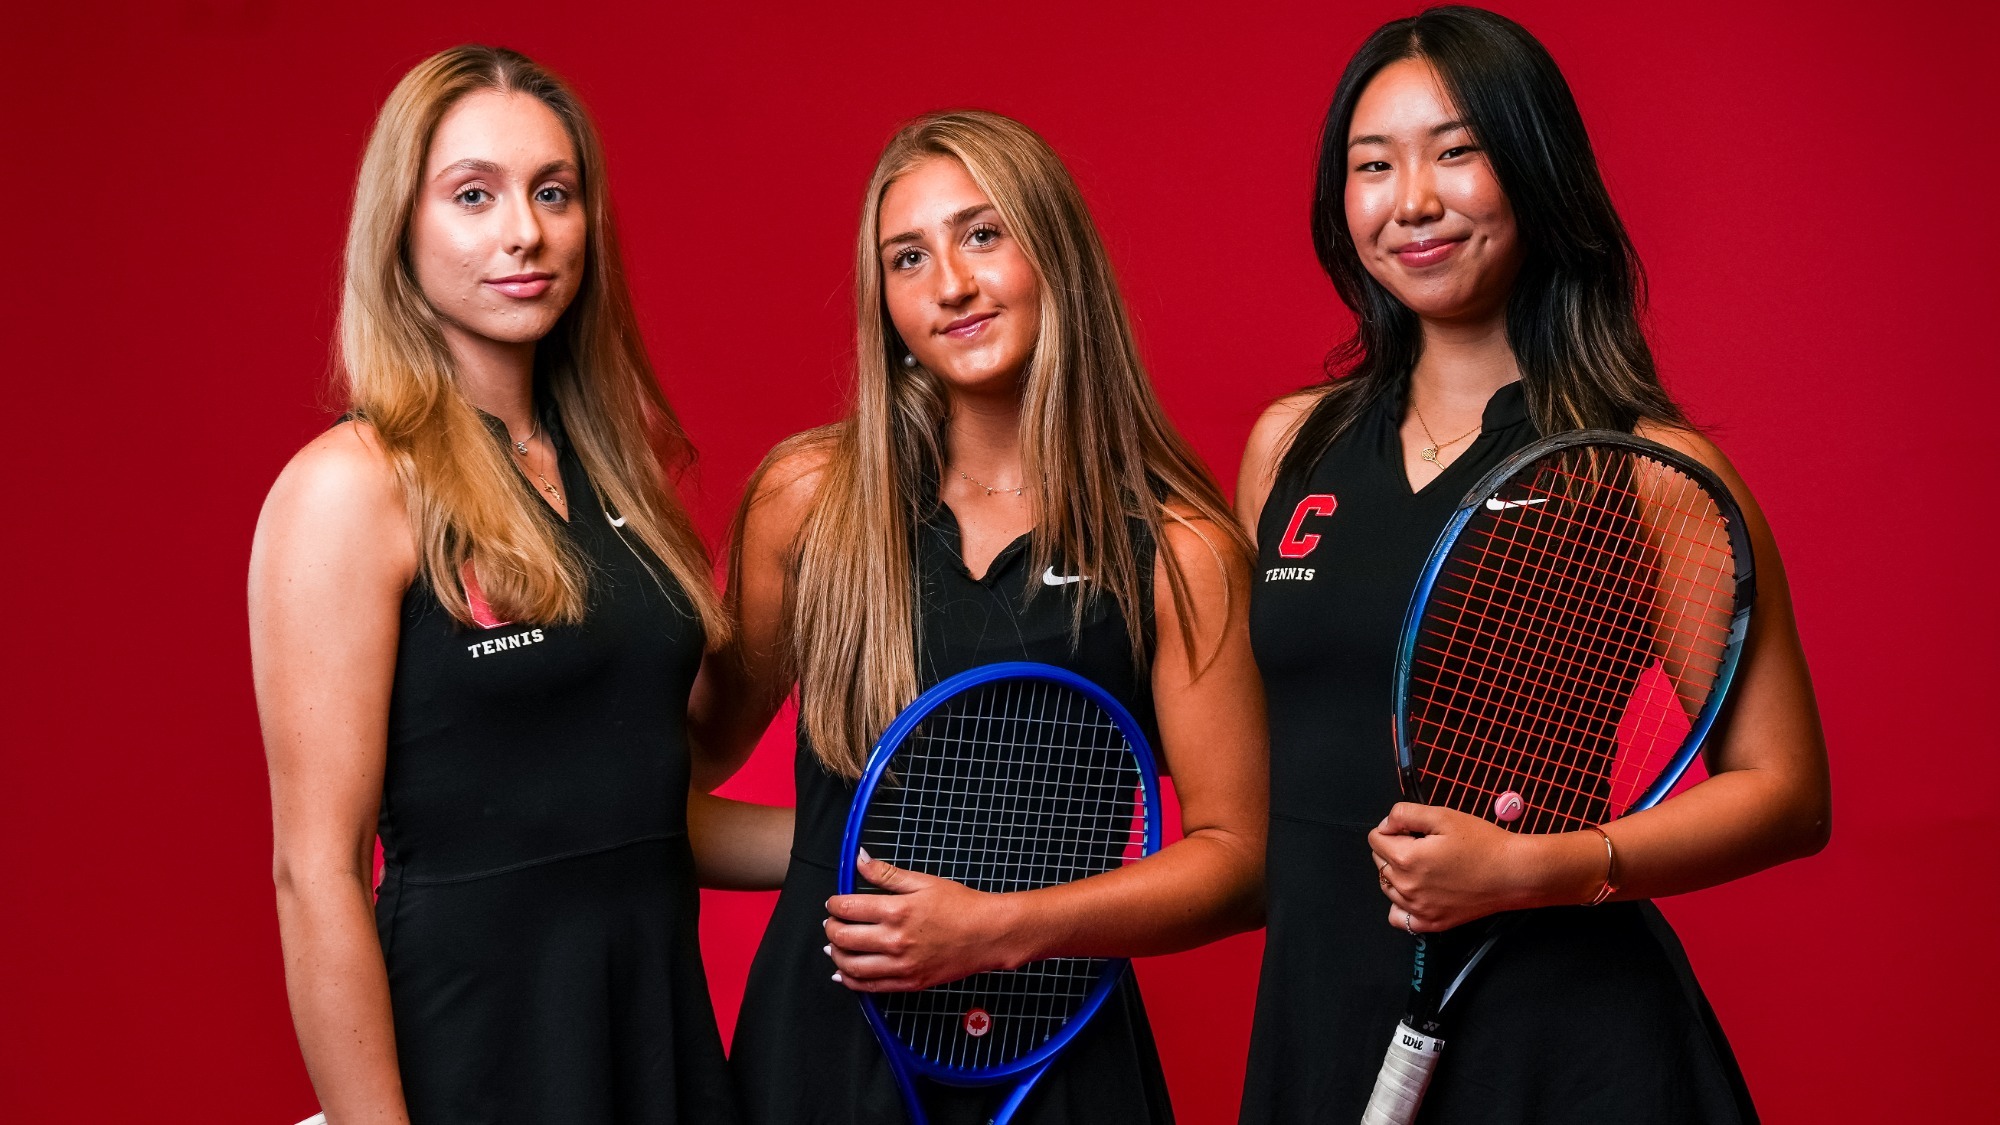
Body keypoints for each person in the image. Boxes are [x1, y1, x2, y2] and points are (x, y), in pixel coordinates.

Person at [1233, 8, 1831, 1123]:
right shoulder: (1290, 448)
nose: (1412, 200)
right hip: (1324, 1023)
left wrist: (1533, 868)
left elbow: (1788, 796)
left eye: (1456, 151)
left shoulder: (1645, 470)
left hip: (1563, 1048)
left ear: (1535, 169)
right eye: (1373, 165)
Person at [687, 110, 1269, 1124]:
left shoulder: (1181, 549)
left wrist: (998, 924)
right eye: (907, 257)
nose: (949, 284)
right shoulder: (811, 501)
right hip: (819, 1057)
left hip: (1059, 1060)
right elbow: (673, 772)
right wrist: (845, 858)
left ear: (1057, 255)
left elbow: (1240, 861)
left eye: (983, 234)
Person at [250, 45, 738, 1124]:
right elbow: (316, 872)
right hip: (471, 1059)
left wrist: (854, 841)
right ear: (401, 227)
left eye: (553, 193)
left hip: (655, 1040)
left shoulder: (616, 474)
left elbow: (627, 808)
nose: (525, 232)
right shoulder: (351, 488)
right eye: (473, 195)